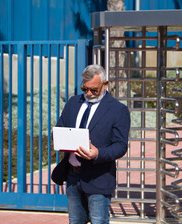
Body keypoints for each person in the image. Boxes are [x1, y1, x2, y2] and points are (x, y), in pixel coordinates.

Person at [53, 64, 130, 224]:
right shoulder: (73, 102)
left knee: (98, 221)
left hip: (99, 177)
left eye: (94, 90)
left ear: (105, 85)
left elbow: (120, 146)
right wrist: (60, 138)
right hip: (73, 176)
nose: (88, 93)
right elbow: (60, 127)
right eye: (85, 88)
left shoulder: (118, 110)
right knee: (75, 221)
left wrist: (97, 153)